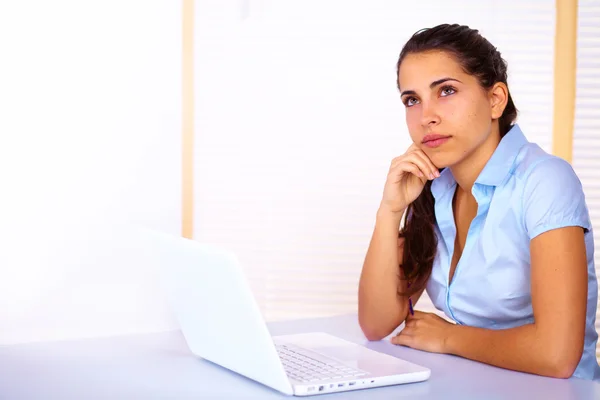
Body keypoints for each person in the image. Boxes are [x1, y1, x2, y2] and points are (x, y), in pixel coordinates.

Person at [358, 23, 600, 380]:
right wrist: (389, 210)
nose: (427, 117)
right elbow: (376, 324)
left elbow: (557, 355)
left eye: (447, 91)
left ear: (495, 100)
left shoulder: (544, 181)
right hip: (476, 383)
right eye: (412, 100)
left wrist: (449, 337)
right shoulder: (434, 187)